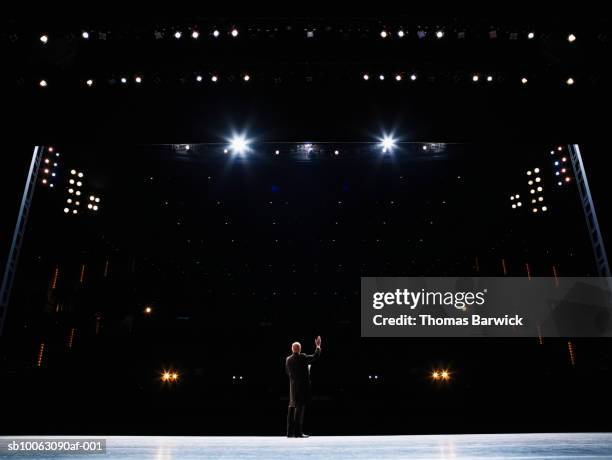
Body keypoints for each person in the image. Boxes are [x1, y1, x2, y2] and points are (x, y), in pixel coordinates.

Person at [285, 335, 322, 438]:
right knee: (299, 410)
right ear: (300, 349)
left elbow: (288, 372)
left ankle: (289, 432)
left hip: (292, 388)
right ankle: (298, 432)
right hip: (301, 388)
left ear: (292, 349)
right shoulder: (303, 357)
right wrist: (318, 346)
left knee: (291, 408)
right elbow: (315, 356)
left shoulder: (288, 359)